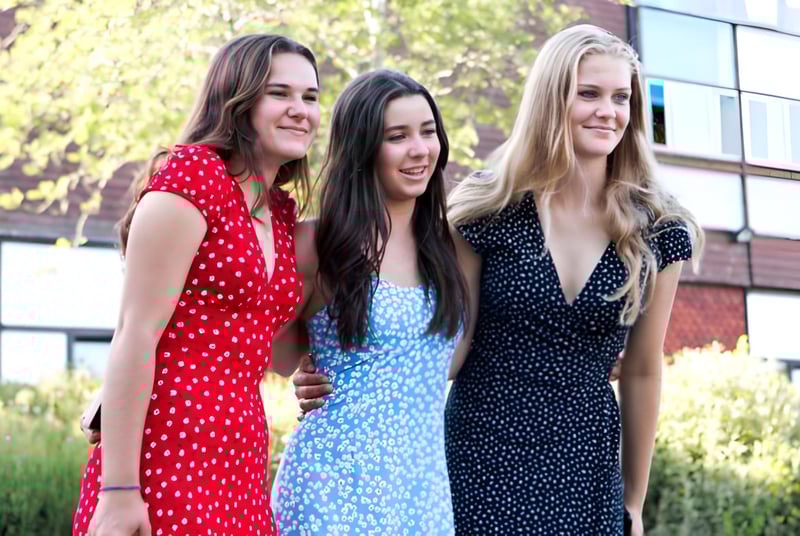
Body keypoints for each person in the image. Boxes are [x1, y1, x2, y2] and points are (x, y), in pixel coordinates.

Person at [293, 25, 703, 535]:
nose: (609, 111)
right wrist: (339, 366)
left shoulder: (659, 229)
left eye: (622, 97)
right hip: (482, 455)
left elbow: (643, 369)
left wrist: (634, 502)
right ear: (552, 100)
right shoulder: (488, 211)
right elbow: (447, 342)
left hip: (588, 460)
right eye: (589, 94)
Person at [72, 33, 320, 536]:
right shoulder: (191, 181)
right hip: (164, 450)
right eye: (280, 93)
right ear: (237, 99)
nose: (300, 110)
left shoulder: (279, 210)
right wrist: (119, 492)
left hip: (241, 457)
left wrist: (323, 355)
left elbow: (274, 354)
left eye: (310, 97)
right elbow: (134, 333)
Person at [268, 69, 481, 535]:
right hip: (330, 488)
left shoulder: (453, 247)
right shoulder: (314, 243)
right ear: (363, 149)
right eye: (397, 137)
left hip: (422, 493)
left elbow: (450, 362)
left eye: (428, 132)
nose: (420, 149)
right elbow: (248, 346)